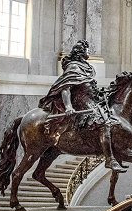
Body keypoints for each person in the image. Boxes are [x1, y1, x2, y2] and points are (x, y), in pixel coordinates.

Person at [39, 40, 126, 172]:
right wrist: (68, 106)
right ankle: (109, 160)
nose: (89, 52)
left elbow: (90, 87)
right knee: (104, 123)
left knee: (111, 117)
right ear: (81, 52)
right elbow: (65, 88)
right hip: (80, 104)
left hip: (92, 101)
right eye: (87, 50)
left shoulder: (86, 67)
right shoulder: (74, 67)